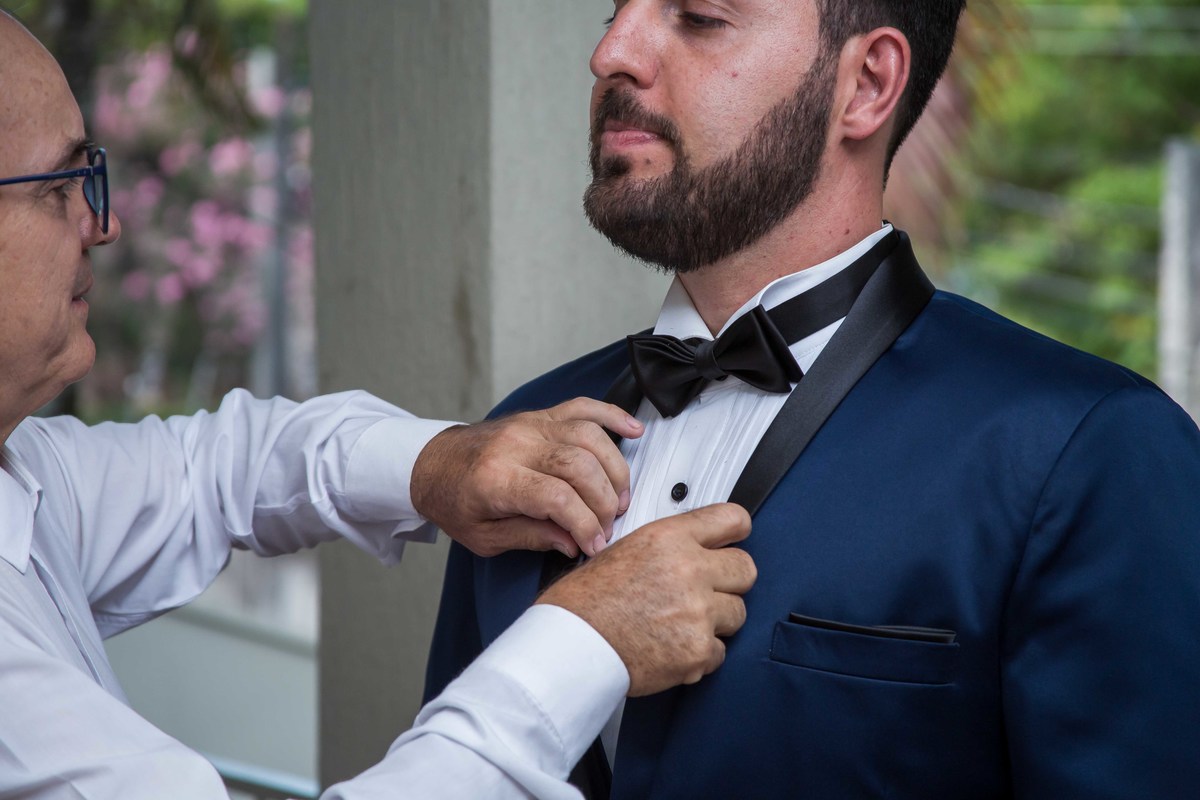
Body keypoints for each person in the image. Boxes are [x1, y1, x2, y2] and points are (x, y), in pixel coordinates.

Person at [426, 2, 1200, 798]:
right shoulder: (520, 438)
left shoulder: (1088, 450)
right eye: (613, 12)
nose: (611, 53)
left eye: (698, 15)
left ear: (867, 85)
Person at [0, 10, 759, 800]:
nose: (103, 222)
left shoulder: (25, 475)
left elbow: (218, 468)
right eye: (58, 185)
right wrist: (582, 642)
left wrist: (435, 465)